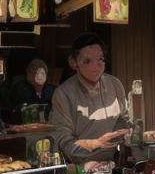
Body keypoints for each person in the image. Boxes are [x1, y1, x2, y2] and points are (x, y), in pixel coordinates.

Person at [50, 34, 131, 166]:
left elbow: (123, 119)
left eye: (100, 59)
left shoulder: (115, 84)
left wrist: (126, 133)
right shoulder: (64, 94)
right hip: (80, 168)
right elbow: (63, 141)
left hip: (112, 164)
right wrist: (96, 144)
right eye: (87, 61)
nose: (95, 66)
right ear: (73, 62)